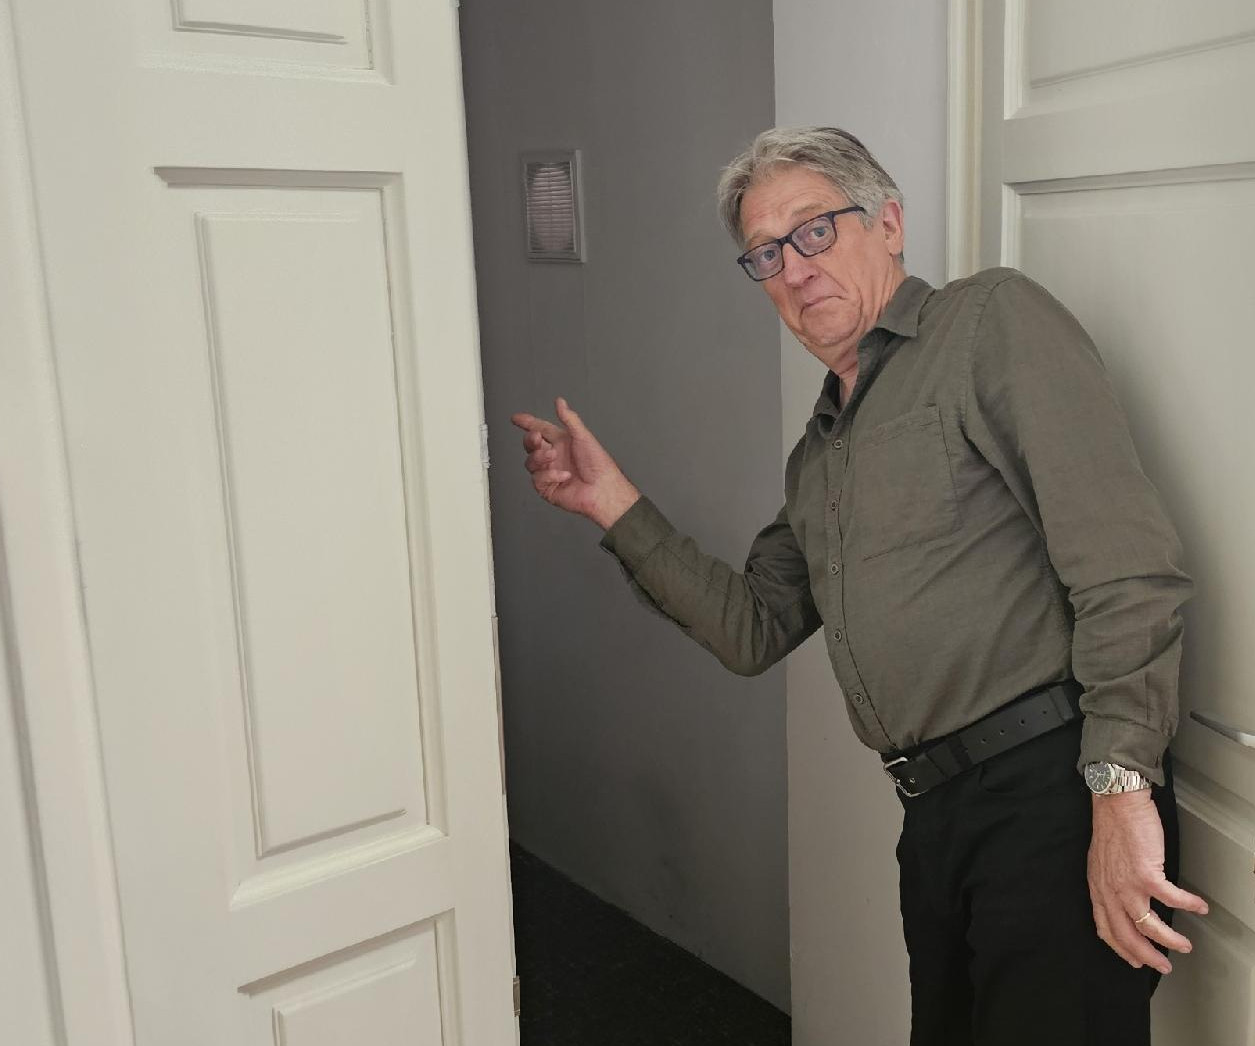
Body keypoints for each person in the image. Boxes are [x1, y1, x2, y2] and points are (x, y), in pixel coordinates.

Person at [510, 126, 1203, 1045]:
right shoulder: (818, 457)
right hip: (936, 817)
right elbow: (752, 626)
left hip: (1052, 796)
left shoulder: (987, 323)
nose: (794, 270)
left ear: (889, 223)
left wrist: (1121, 792)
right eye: (765, 253)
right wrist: (612, 503)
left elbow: (1127, 566)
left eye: (814, 231)